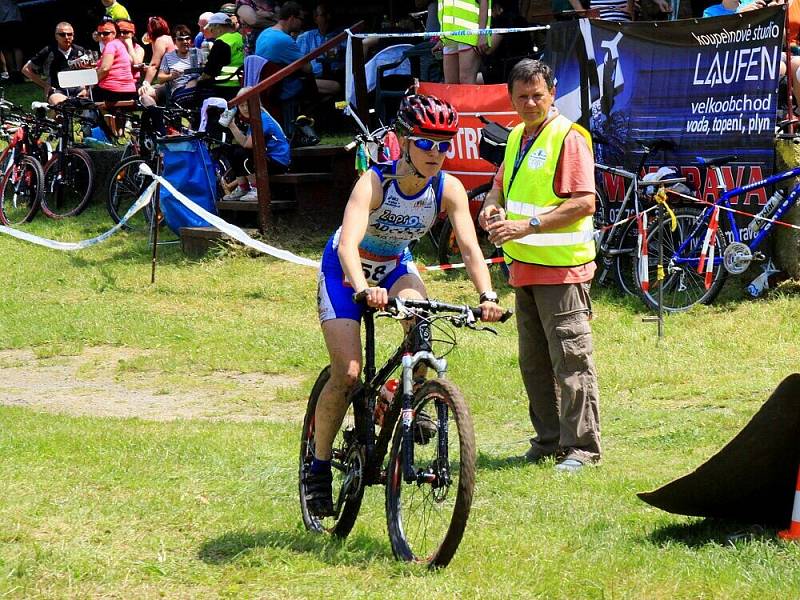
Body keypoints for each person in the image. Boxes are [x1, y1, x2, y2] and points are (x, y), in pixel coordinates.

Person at [305, 94, 505, 516]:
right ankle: (318, 468)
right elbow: (348, 245)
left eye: (444, 144)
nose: (436, 153)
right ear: (404, 141)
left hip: (396, 266)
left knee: (423, 330)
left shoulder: (447, 188)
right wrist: (362, 288)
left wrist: (487, 296)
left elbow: (470, 247)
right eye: (427, 143)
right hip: (347, 270)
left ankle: (401, 396)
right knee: (348, 372)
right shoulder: (375, 182)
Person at [478, 59, 601, 473]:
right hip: (525, 270)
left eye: (538, 95)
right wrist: (491, 209)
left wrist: (525, 225)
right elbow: (499, 186)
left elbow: (585, 202)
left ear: (552, 94)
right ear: (510, 99)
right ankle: (548, 442)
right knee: (534, 365)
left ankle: (582, 448)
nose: (530, 103)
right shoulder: (516, 136)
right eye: (522, 96)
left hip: (562, 271)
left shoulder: (569, 138)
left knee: (571, 361)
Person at [220, 86, 290, 202]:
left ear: (256, 103)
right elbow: (245, 142)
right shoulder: (253, 120)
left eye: (248, 104)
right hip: (266, 157)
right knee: (231, 149)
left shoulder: (262, 119)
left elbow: (247, 146)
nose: (245, 108)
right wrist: (232, 126)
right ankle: (243, 188)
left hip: (277, 162)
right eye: (241, 106)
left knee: (240, 152)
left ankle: (257, 189)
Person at [22, 22, 91, 105]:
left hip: (78, 88)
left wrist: (85, 87)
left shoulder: (80, 50)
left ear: (73, 35)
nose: (66, 37)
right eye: (62, 34)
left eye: (69, 34)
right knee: (60, 107)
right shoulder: (48, 51)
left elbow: (89, 71)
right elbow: (26, 69)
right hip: (57, 89)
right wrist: (45, 86)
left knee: (90, 103)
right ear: (56, 36)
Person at [139, 25, 200, 107]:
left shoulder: (198, 53)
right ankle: (157, 117)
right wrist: (171, 76)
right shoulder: (168, 57)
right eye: (180, 39)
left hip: (196, 88)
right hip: (179, 90)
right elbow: (160, 78)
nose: (185, 41)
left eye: (187, 38)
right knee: (144, 94)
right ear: (175, 42)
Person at [437, 0, 490, 84]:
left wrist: (482, 33)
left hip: (470, 34)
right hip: (449, 37)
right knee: (451, 84)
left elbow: (483, 1)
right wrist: (441, 38)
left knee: (466, 80)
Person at [196, 12, 244, 101]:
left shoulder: (221, 42)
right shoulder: (240, 37)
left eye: (211, 28)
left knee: (187, 95)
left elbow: (209, 72)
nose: (210, 31)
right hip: (240, 83)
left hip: (222, 86)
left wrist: (198, 80)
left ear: (219, 27)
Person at [296, 3, 344, 90]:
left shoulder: (341, 36)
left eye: (330, 14)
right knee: (336, 87)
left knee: (341, 88)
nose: (328, 17)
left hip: (336, 75)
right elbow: (300, 62)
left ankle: (342, 103)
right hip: (313, 78)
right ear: (315, 19)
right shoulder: (306, 37)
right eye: (324, 15)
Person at [94, 19, 137, 102]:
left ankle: (106, 115)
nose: (102, 36)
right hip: (129, 90)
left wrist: (93, 81)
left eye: (106, 33)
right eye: (99, 34)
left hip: (111, 91)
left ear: (114, 33)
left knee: (87, 96)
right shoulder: (120, 44)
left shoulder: (111, 45)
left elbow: (105, 69)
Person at [143, 17, 176, 88]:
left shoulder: (160, 40)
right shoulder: (169, 38)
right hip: (174, 76)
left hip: (172, 80)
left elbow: (154, 65)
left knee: (144, 93)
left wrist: (145, 83)